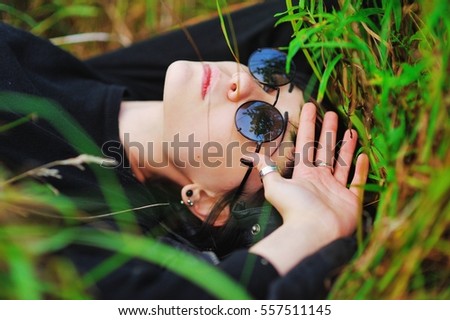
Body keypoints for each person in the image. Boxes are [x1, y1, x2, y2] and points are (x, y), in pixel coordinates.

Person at [0, 0, 369, 299]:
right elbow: (309, 15)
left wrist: (313, 227)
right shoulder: (121, 84)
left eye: (260, 121)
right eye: (268, 74)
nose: (242, 80)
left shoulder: (82, 213)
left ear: (207, 203)